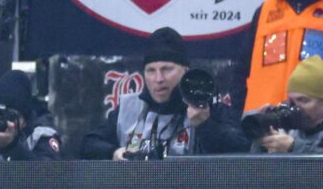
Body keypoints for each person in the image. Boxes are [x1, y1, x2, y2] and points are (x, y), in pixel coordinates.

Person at [80, 26, 249, 159]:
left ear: (185, 70)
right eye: (151, 70)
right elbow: (88, 144)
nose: (158, 78)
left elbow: (242, 149)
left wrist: (205, 126)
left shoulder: (208, 108)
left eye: (167, 69)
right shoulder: (129, 107)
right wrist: (114, 152)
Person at [251, 56, 323, 154]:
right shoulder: (286, 128)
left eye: (303, 100)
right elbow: (255, 170)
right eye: (292, 101)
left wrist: (293, 147)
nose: (295, 108)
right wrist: (261, 138)